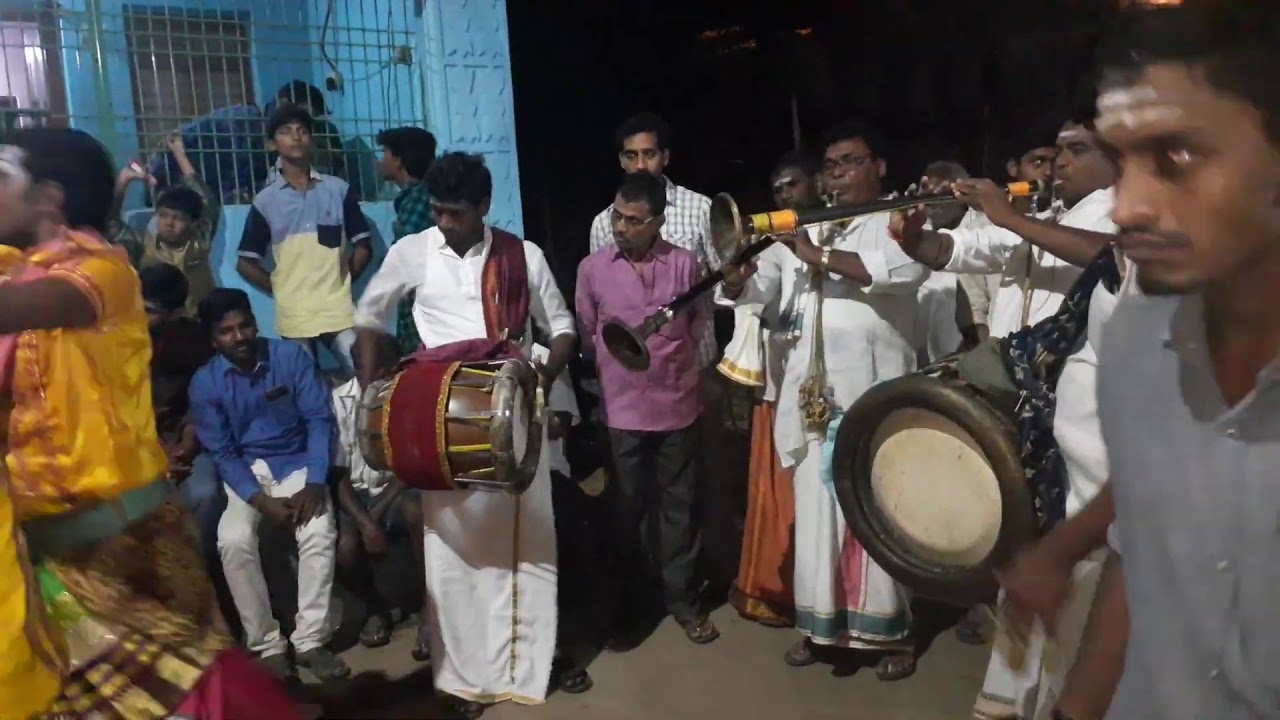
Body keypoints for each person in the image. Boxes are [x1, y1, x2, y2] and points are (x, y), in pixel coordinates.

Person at [1007, 3, 1280, 718]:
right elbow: (1145, 558)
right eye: (1124, 160)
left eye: (1176, 157)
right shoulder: (1147, 333)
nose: (1126, 207)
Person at [0, 128, 299, 718]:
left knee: (184, 699)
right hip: (41, 556)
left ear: (47, 199)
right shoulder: (15, 271)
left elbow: (21, 307)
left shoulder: (102, 271)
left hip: (123, 548)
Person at [352, 151, 577, 718]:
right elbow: (370, 316)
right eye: (437, 211)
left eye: (455, 213)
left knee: (527, 553)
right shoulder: (411, 251)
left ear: (484, 207)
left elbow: (565, 329)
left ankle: (529, 665)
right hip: (440, 428)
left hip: (515, 421)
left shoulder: (522, 256)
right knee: (455, 560)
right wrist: (370, 393)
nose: (444, 223)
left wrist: (536, 380)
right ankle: (465, 679)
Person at [723, 120, 927, 681]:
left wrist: (812, 253)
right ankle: (822, 627)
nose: (837, 175)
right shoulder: (813, 230)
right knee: (816, 514)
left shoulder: (899, 224)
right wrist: (739, 277)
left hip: (873, 392)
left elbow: (897, 277)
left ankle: (893, 633)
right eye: (831, 166)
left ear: (879, 166)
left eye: (850, 163)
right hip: (815, 399)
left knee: (880, 514)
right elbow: (764, 295)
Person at [577, 171, 718, 647]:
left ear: (658, 221)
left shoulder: (685, 265)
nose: (621, 228)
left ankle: (682, 599)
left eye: (634, 221)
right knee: (625, 509)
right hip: (620, 411)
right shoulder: (592, 269)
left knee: (680, 508)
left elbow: (699, 324)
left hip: (678, 403)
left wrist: (672, 369)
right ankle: (629, 604)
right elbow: (586, 330)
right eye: (618, 216)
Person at [188, 288, 349, 682]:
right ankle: (267, 645)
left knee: (318, 530)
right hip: (248, 472)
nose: (239, 336)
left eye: (245, 325)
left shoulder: (289, 357)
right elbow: (223, 454)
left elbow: (318, 420)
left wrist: (314, 482)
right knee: (234, 540)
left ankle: (310, 640)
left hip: (297, 462)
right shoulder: (206, 383)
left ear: (255, 322)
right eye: (227, 331)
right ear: (213, 339)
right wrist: (261, 501)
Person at [899, 119, 1116, 339]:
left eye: (1077, 150)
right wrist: (912, 232)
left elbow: (1115, 255)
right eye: (1060, 151)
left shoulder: (1124, 212)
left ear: (1117, 158)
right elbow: (947, 250)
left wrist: (1009, 217)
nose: (1059, 163)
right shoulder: (1045, 220)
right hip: (1009, 368)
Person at [727, 150, 820, 627]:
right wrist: (739, 281)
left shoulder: (833, 234)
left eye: (794, 185)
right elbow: (759, 297)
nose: (786, 195)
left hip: (834, 387)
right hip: (783, 386)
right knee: (780, 490)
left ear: (817, 186)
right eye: (779, 188)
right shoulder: (770, 244)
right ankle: (780, 590)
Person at [236, 104, 373, 377]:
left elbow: (363, 248)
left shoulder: (338, 190)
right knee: (305, 385)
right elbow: (245, 263)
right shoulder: (266, 201)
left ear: (311, 139)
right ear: (273, 144)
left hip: (338, 309)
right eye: (286, 132)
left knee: (366, 375)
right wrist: (282, 287)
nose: (296, 137)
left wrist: (342, 281)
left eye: (302, 131)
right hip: (294, 314)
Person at [588, 112, 720, 369]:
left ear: (666, 157)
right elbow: (599, 303)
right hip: (631, 372)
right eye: (631, 155)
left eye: (648, 154)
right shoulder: (603, 224)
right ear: (620, 161)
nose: (640, 165)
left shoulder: (700, 208)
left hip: (694, 366)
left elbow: (723, 284)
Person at [331, 332, 430, 659]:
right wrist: (363, 520)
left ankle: (431, 611)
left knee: (417, 511)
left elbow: (412, 465)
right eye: (363, 369)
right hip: (355, 495)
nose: (373, 378)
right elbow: (336, 473)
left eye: (383, 369)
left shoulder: (410, 397)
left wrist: (376, 516)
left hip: (396, 489)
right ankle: (374, 608)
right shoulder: (339, 402)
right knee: (345, 547)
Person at [957, 129, 1059, 345]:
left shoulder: (1064, 221)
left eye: (1054, 162)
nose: (1049, 172)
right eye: (1038, 162)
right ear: (1013, 168)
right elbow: (975, 310)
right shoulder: (979, 224)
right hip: (999, 354)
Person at [113, 131, 220, 315]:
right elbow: (111, 223)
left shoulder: (199, 242)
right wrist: (123, 182)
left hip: (196, 326)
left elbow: (206, 200)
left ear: (194, 223)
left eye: (178, 218)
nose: (169, 223)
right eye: (162, 215)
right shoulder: (142, 246)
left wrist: (179, 154)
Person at [376, 125, 438, 355]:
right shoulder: (420, 197)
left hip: (421, 321)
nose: (381, 161)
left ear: (399, 160)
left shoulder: (417, 200)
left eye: (385, 153)